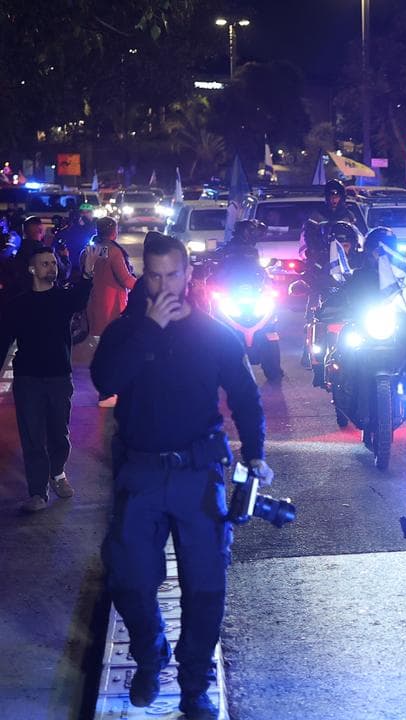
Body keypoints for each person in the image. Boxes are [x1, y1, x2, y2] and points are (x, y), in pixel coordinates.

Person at [90, 232, 269, 720]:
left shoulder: (214, 333)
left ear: (188, 274)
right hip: (141, 472)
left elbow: (246, 398)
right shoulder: (127, 330)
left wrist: (255, 456)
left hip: (198, 471)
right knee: (128, 580)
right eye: (154, 274)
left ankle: (195, 685)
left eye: (173, 273)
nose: (164, 283)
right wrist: (148, 329)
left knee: (206, 586)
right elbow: (106, 381)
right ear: (143, 275)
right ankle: (150, 657)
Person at [0, 247, 93, 513]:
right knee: (32, 436)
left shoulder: (61, 299)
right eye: (44, 263)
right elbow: (3, 340)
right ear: (32, 269)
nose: (51, 267)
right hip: (28, 378)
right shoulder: (17, 305)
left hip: (58, 377)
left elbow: (80, 298)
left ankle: (58, 473)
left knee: (58, 432)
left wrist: (87, 273)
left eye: (53, 263)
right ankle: (38, 491)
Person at [84, 217, 136, 407]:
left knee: (102, 351)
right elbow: (125, 279)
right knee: (114, 352)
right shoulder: (114, 252)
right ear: (113, 231)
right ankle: (107, 393)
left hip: (93, 305)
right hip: (112, 307)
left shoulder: (89, 249)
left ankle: (106, 391)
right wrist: (146, 285)